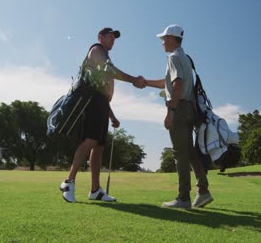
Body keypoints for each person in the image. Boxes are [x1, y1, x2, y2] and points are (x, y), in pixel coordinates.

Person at [59, 27, 146, 203]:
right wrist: (133, 80)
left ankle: (95, 190)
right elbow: (109, 71)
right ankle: (68, 182)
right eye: (109, 37)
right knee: (90, 141)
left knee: (98, 147)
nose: (112, 40)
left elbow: (103, 91)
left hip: (100, 104)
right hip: (90, 103)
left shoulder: (105, 55)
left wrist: (111, 115)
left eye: (114, 38)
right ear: (100, 37)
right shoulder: (96, 50)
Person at [145, 24, 213, 209]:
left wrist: (171, 111)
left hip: (180, 109)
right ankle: (203, 191)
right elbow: (169, 82)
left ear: (173, 39)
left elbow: (177, 85)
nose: (162, 43)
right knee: (189, 152)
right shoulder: (184, 57)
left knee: (179, 153)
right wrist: (146, 82)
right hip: (190, 108)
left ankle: (183, 198)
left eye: (164, 39)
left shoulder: (173, 57)